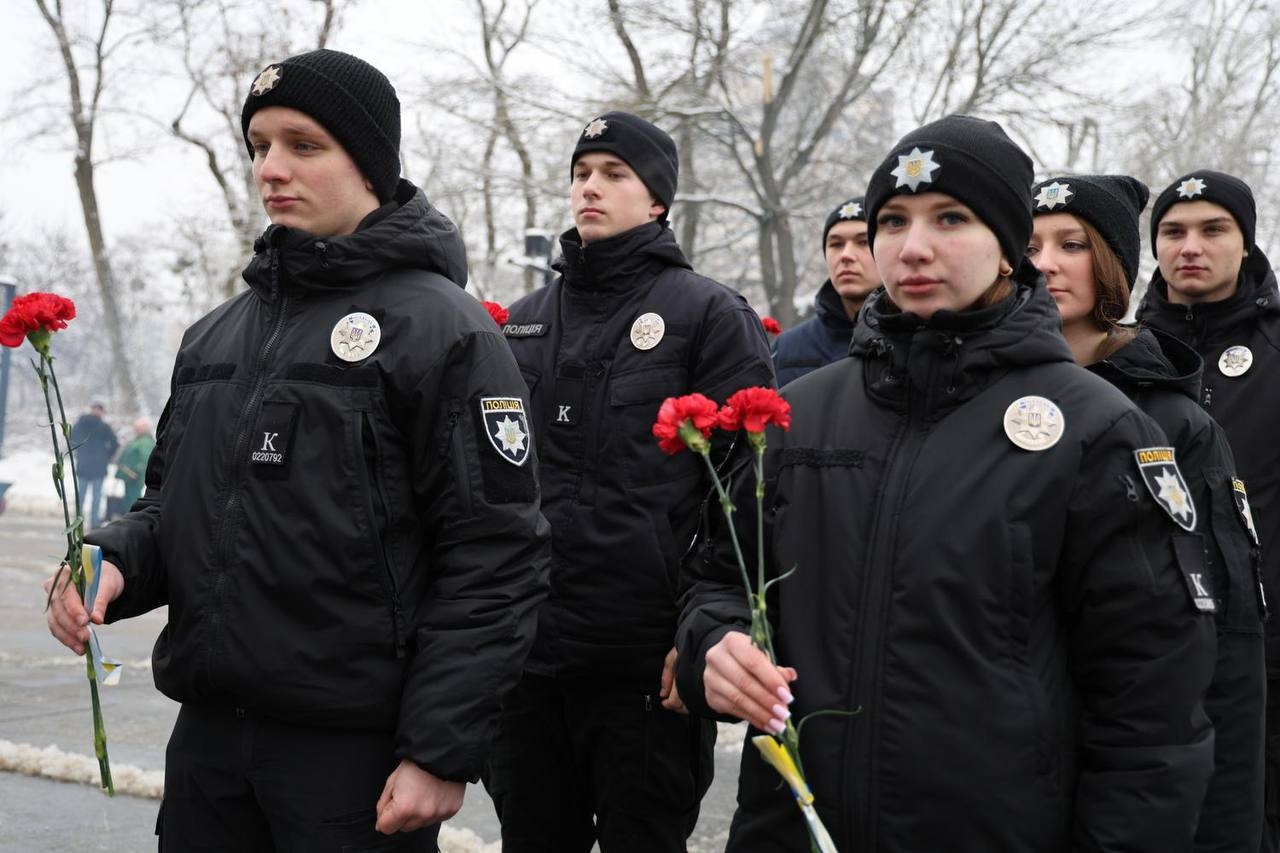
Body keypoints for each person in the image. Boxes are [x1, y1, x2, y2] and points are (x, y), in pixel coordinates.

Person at [44, 48, 550, 852]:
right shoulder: (216, 334)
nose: (271, 168)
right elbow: (169, 509)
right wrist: (112, 559)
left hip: (355, 763)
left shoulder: (444, 328)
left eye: (303, 145)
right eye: (258, 146)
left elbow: (495, 554)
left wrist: (439, 748)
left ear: (371, 164)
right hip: (209, 748)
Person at [676, 115, 1217, 852]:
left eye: (951, 218)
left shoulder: (1095, 427)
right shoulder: (800, 411)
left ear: (1007, 247)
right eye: (891, 220)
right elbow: (717, 577)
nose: (914, 246)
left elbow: (1151, 704)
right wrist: (718, 640)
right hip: (791, 828)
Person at [485, 111, 775, 852]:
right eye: (582, 173)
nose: (591, 188)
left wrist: (702, 630)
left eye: (614, 174)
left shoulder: (707, 314)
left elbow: (742, 492)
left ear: (657, 202)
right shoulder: (521, 321)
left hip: (646, 667)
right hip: (530, 661)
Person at [1031, 173, 1265, 852]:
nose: (1043, 262)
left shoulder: (1171, 421)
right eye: (1028, 244)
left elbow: (1225, 649)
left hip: (1130, 762)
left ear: (1111, 265)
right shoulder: (985, 407)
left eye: (1071, 243)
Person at [1136, 170, 1280, 853]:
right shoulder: (1122, 354)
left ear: (1246, 243)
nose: (1190, 246)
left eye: (1212, 229)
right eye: (1172, 231)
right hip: (1156, 641)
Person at [772, 196, 876, 385]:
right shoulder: (787, 349)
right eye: (836, 244)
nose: (846, 255)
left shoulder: (919, 336)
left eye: (863, 242)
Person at [70, 402, 118, 529]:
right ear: (101, 412)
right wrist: (105, 455)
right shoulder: (104, 427)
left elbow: (72, 440)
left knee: (81, 496)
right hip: (98, 466)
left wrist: (80, 453)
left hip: (84, 465)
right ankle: (94, 522)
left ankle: (77, 522)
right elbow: (114, 444)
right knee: (96, 497)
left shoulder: (81, 423)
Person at [113, 418, 155, 512]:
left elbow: (146, 460)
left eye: (137, 428)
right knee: (129, 499)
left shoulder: (145, 442)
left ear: (143, 429)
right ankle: (129, 516)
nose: (134, 430)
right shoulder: (138, 440)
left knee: (133, 500)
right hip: (129, 476)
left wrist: (139, 473)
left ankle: (131, 519)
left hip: (135, 477)